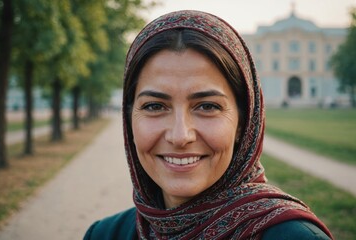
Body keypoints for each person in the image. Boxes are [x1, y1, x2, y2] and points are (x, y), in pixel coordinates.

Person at [84, 10, 333, 239]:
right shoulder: (104, 234)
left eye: (207, 106)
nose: (180, 136)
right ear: (128, 120)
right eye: (154, 106)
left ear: (243, 123)